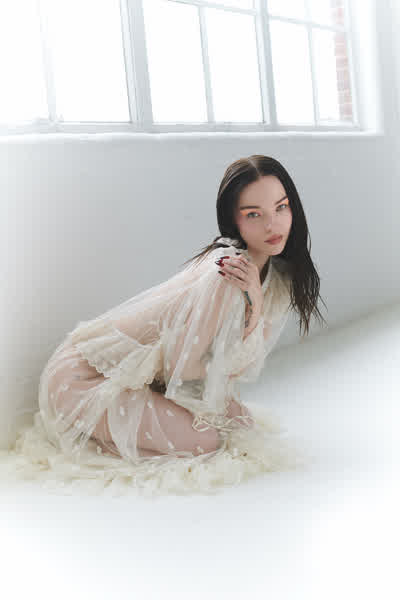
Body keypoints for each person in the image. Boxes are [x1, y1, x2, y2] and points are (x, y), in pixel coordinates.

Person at [6, 155, 326, 496]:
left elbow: (240, 368)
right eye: (253, 214)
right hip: (84, 378)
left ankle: (136, 427)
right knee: (206, 442)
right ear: (233, 220)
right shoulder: (226, 274)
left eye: (281, 207)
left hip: (147, 381)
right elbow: (182, 371)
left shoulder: (276, 278)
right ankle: (91, 439)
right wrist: (250, 306)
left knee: (243, 427)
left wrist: (255, 303)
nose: (273, 225)